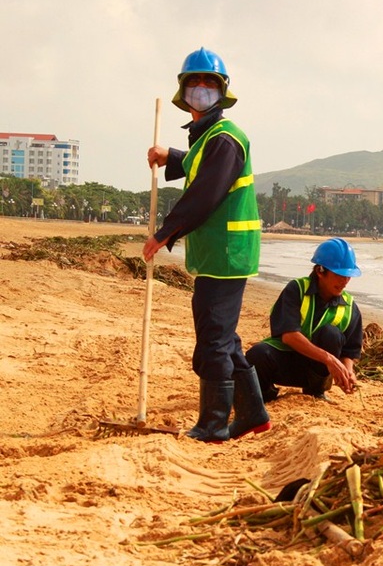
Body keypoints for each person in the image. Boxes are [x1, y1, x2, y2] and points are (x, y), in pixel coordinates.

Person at [142, 47, 270, 442]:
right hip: (220, 255)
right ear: (184, 92)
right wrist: (171, 156)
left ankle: (213, 424)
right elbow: (198, 161)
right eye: (195, 82)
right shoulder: (208, 138)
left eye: (209, 82)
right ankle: (253, 414)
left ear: (221, 92)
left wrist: (165, 233)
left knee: (213, 340)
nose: (201, 88)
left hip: (227, 256)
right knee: (225, 338)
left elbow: (205, 192)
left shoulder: (226, 139)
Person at [246, 237, 363, 402]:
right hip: (286, 362)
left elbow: (349, 352)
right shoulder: (297, 290)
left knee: (331, 334)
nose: (344, 281)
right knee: (257, 354)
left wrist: (348, 372)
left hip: (317, 372)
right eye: (339, 275)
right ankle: (267, 395)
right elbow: (289, 336)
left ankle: (316, 392)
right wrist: (329, 359)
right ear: (320, 271)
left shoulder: (350, 307)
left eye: (348, 275)